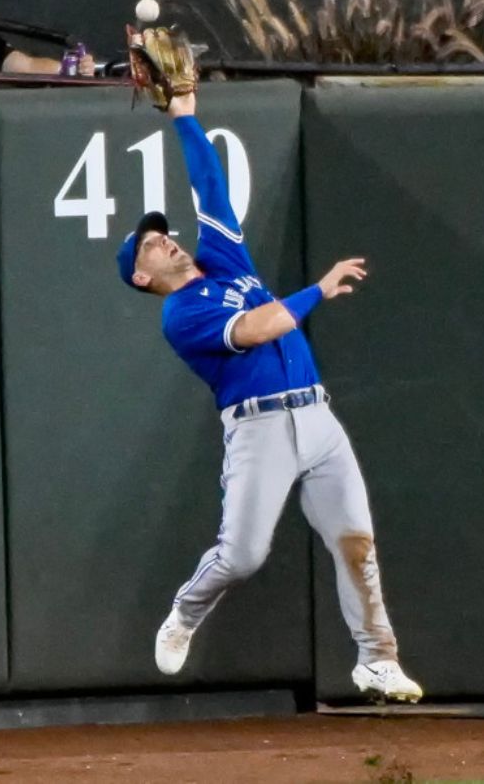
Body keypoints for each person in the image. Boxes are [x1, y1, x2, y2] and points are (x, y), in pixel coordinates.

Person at [114, 89, 423, 704]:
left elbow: (210, 186)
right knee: (243, 555)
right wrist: (317, 291)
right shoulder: (179, 315)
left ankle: (377, 659)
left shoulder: (224, 260)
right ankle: (186, 610)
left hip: (317, 416)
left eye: (164, 234)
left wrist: (184, 115)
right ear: (143, 277)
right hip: (259, 432)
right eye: (151, 245)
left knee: (356, 542)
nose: (167, 240)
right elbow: (257, 329)